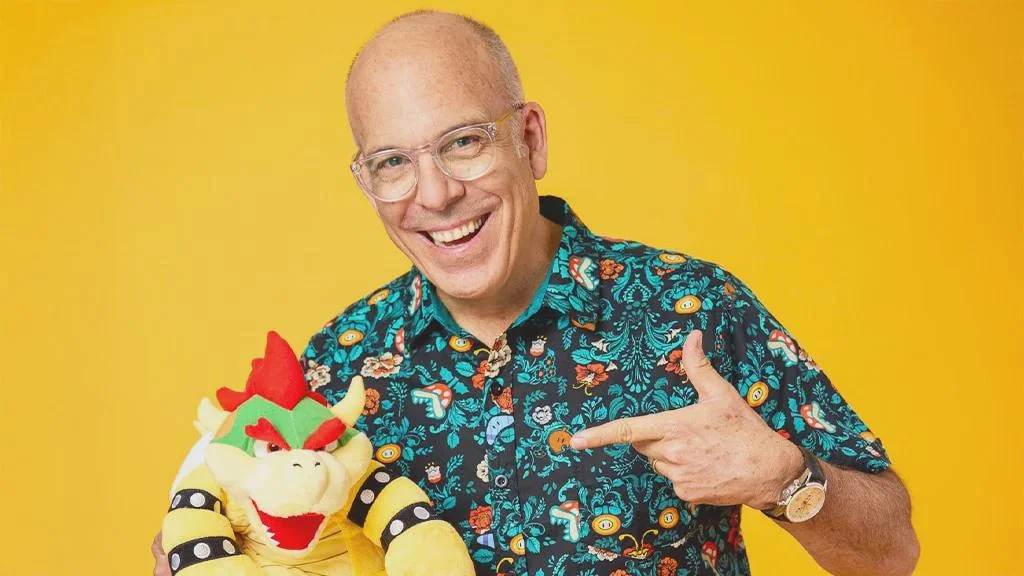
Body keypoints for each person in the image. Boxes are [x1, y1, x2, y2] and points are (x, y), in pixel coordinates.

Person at [154, 10, 918, 576]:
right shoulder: (338, 368)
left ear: (529, 139)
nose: (434, 194)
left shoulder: (689, 307)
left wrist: (785, 479)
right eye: (392, 162)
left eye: (463, 142)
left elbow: (892, 554)